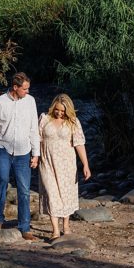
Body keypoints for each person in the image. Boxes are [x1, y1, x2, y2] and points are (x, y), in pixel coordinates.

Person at [0, 72, 41, 241]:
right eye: (25, 89)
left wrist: (36, 154)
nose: (27, 92)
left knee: (24, 189)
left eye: (28, 88)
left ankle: (24, 226)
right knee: (2, 179)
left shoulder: (30, 102)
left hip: (24, 151)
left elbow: (34, 129)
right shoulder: (0, 102)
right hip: (2, 148)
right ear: (15, 87)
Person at [38, 93, 91, 239]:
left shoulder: (73, 122)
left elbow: (79, 144)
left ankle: (66, 225)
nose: (59, 113)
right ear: (53, 106)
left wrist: (85, 164)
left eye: (62, 111)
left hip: (67, 164)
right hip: (47, 162)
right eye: (57, 109)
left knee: (65, 194)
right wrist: (35, 157)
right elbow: (37, 139)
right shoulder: (44, 119)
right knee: (51, 194)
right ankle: (55, 229)